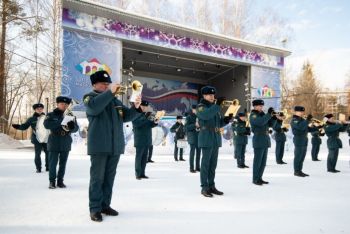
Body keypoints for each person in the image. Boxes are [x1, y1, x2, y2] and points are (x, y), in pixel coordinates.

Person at [83, 70, 141, 222]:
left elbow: (126, 117)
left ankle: (105, 205)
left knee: (109, 178)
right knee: (97, 179)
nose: (107, 86)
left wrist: (136, 107)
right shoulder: (90, 98)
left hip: (115, 146)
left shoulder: (114, 101)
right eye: (104, 84)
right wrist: (110, 93)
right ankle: (94, 208)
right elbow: (94, 108)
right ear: (94, 84)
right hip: (99, 146)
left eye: (108, 84)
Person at [196, 86, 232, 197]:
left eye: (213, 95)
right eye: (210, 95)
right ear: (204, 96)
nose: (212, 97)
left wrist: (226, 120)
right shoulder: (201, 107)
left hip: (215, 138)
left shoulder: (214, 108)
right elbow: (206, 115)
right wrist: (217, 105)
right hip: (206, 137)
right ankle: (204, 187)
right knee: (205, 164)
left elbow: (218, 123)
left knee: (213, 165)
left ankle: (211, 186)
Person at [44, 96, 79, 189]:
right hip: (54, 140)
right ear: (57, 104)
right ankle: (52, 182)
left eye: (66, 104)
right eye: (62, 104)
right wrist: (61, 122)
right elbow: (46, 125)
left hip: (65, 140)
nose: (64, 105)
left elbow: (76, 129)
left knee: (63, 163)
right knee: (52, 163)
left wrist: (72, 126)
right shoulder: (51, 115)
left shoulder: (71, 115)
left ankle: (60, 181)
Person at [12, 103, 49, 173]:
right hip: (37, 138)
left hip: (46, 138)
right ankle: (38, 168)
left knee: (48, 153)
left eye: (41, 108)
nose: (40, 110)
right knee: (37, 154)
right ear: (35, 110)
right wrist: (18, 126)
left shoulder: (47, 117)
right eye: (38, 109)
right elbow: (25, 126)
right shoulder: (32, 119)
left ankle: (48, 167)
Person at [249, 100, 273, 185]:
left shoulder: (262, 115)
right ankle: (255, 179)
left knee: (263, 162)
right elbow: (260, 122)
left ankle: (260, 177)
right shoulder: (253, 115)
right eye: (259, 106)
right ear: (254, 106)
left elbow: (271, 124)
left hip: (265, 140)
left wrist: (274, 117)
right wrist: (268, 114)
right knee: (258, 161)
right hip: (258, 139)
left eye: (261, 106)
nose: (261, 107)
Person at [132, 100, 158, 179]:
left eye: (146, 106)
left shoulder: (147, 115)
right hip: (140, 139)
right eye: (144, 106)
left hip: (147, 139)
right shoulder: (136, 113)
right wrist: (145, 117)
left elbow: (150, 125)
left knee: (144, 158)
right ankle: (138, 174)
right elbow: (136, 124)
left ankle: (142, 173)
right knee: (139, 157)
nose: (145, 108)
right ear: (140, 106)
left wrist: (155, 122)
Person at [290, 107, 316, 177]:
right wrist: (307, 120)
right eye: (300, 111)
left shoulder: (302, 120)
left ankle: (299, 170)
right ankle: (296, 171)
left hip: (304, 140)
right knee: (298, 156)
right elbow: (300, 127)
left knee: (302, 156)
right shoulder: (294, 120)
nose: (302, 113)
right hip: (298, 140)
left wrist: (317, 128)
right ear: (295, 112)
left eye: (302, 112)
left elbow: (307, 129)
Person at [185, 105, 201, 173]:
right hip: (192, 137)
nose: (196, 111)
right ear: (192, 110)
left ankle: (197, 167)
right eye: (195, 109)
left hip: (199, 137)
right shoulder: (189, 117)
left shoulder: (200, 116)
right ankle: (191, 168)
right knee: (192, 153)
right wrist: (194, 125)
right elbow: (186, 127)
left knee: (199, 153)